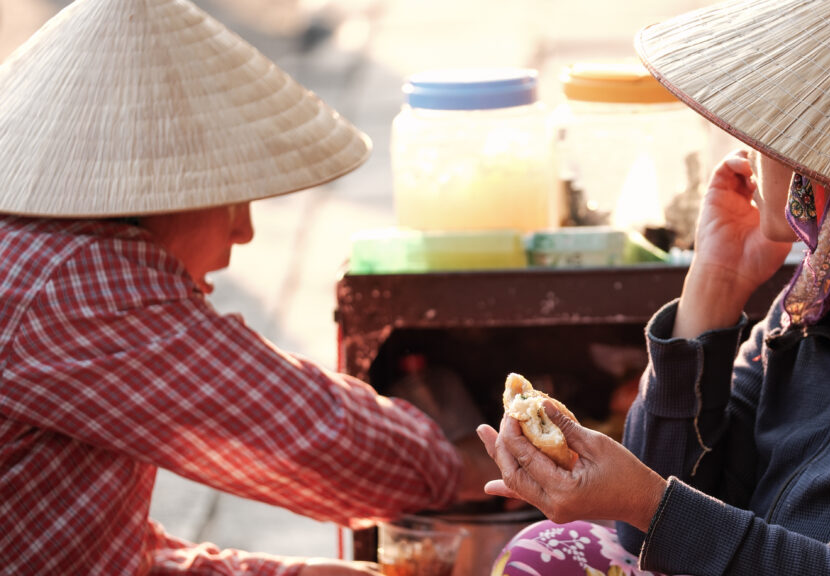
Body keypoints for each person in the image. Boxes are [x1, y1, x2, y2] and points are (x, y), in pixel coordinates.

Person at [477, 0, 830, 574]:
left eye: (768, 131)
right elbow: (640, 532)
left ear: (823, 166)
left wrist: (644, 500)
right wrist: (712, 290)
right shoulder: (815, 305)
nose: (746, 152)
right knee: (542, 552)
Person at [0, 0, 494, 574]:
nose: (245, 230)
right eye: (231, 197)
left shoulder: (38, 250)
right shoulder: (75, 282)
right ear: (152, 191)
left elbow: (100, 552)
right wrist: (460, 465)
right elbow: (308, 435)